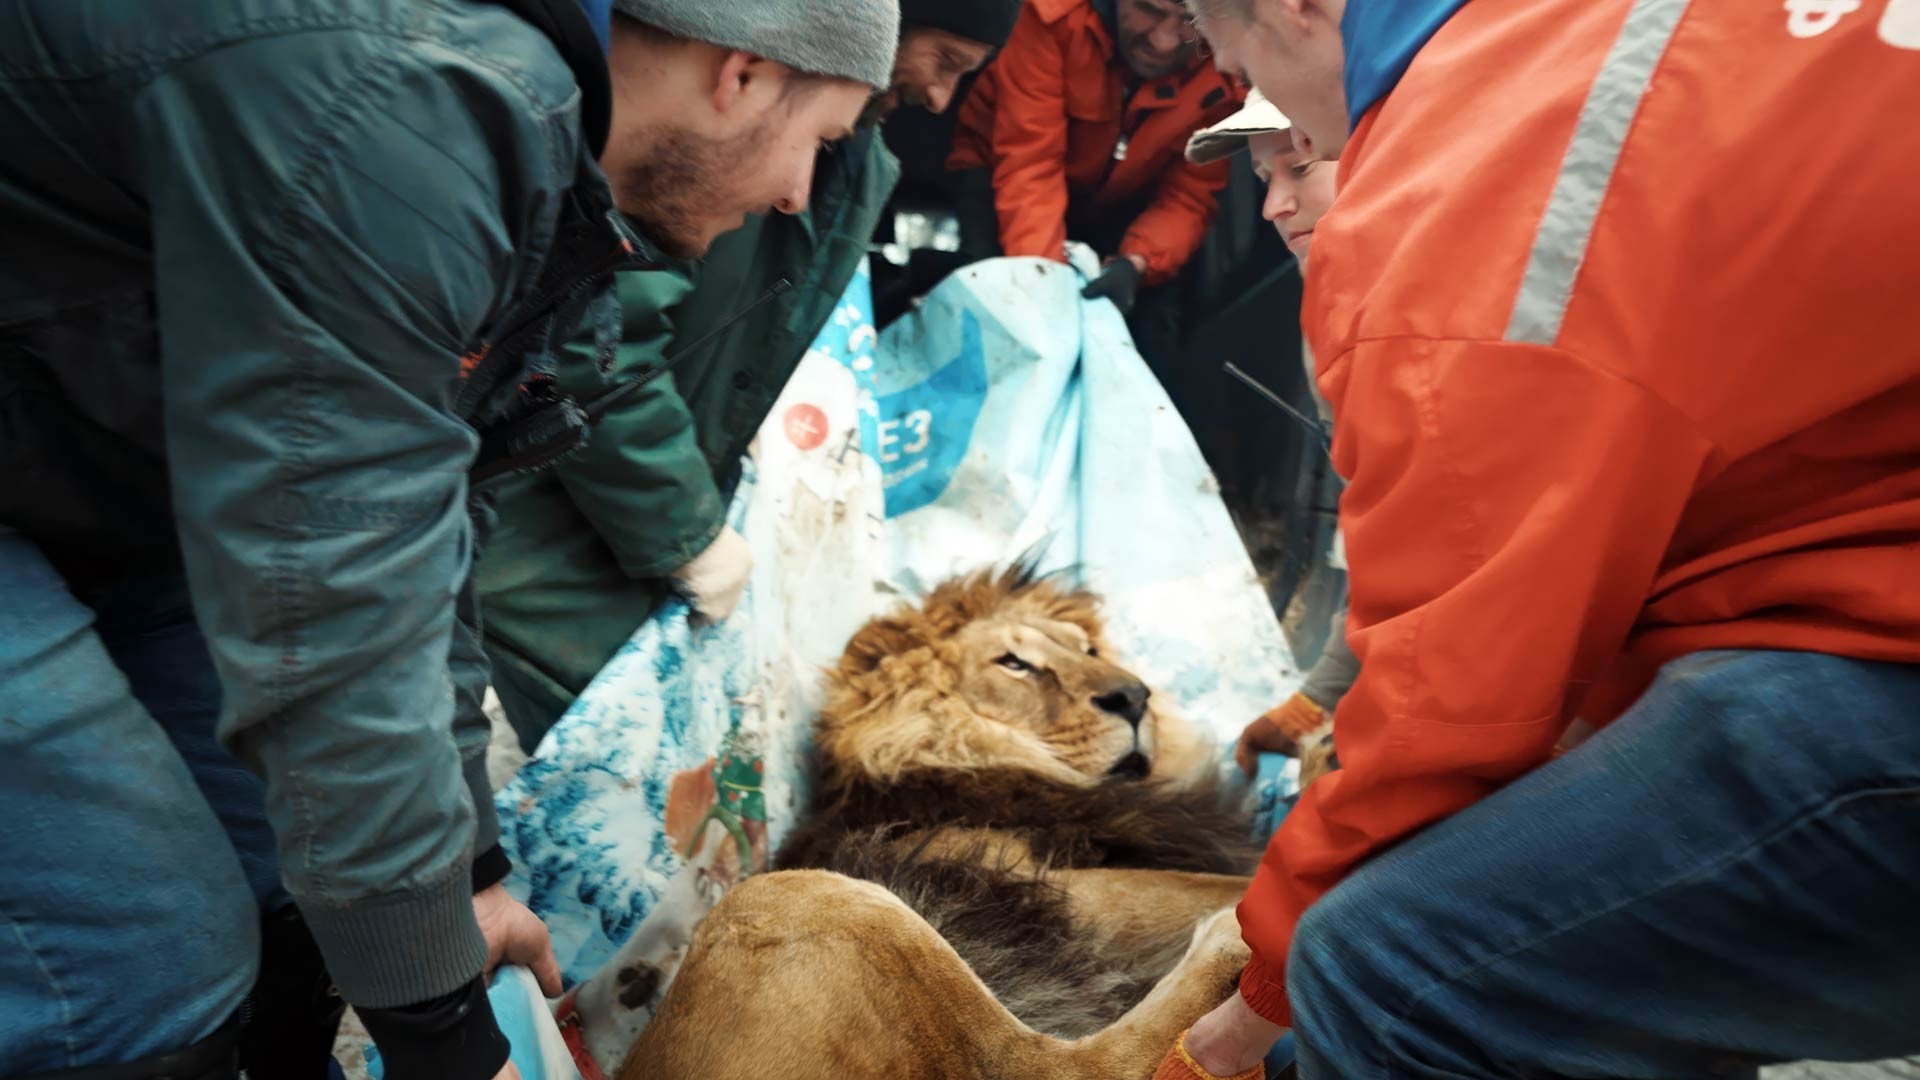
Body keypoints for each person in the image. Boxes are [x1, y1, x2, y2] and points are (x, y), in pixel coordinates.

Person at [0, 0, 894, 1077]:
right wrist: (448, 1041)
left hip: (108, 478)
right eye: (821, 140)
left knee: (289, 876)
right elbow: (334, 601)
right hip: (71, 481)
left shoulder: (544, 168)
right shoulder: (411, 106)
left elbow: (426, 535)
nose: (797, 193)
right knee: (140, 960)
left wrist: (467, 873)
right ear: (739, 74)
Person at [1156, 0, 1920, 1077]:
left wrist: (1257, 1004)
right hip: (1852, 602)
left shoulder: (1466, 201)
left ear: (1294, 8)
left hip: (1874, 676)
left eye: (1247, 71)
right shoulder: (1612, 44)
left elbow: (1454, 694)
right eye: (1262, 170)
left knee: (1383, 970)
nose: (1290, 181)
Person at [478, 0, 1020, 751]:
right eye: (946, 62)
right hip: (558, 511)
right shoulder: (704, 147)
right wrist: (686, 532)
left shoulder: (849, 155)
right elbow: (601, 340)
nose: (940, 97)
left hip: (625, 493)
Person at [1186, 91, 1354, 777]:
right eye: (1263, 178)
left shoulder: (1468, 309)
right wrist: (1318, 700)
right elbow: (1394, 545)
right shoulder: (1327, 318)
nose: (1273, 207)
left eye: (1301, 166)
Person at [945, 0, 1245, 354]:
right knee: (996, 307)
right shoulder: (1050, 15)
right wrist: (1046, 288)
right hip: (1000, 170)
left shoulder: (1229, 60)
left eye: (1190, 20)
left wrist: (1137, 263)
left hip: (1127, 193)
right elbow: (1028, 165)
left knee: (1150, 328)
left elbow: (1190, 194)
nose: (1163, 40)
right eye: (1149, 9)